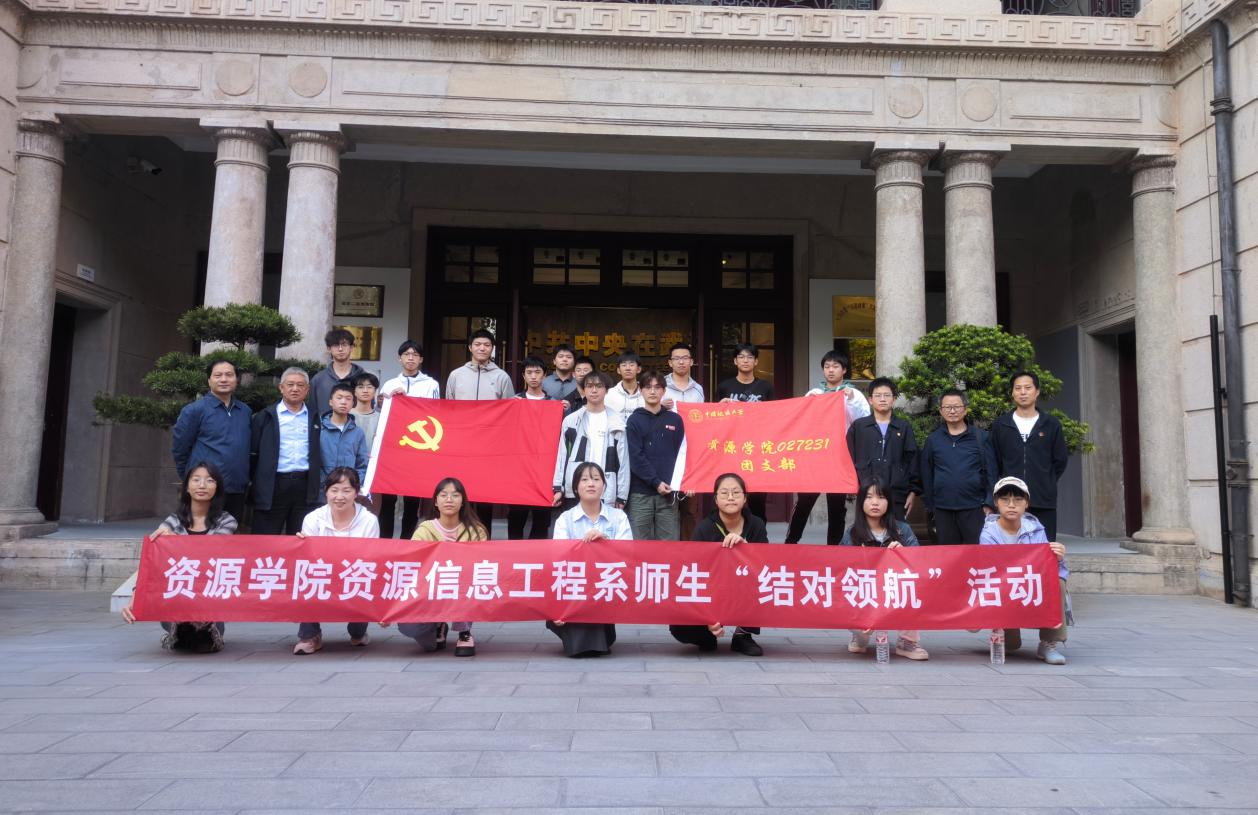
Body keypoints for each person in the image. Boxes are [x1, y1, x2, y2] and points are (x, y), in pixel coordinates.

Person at [119, 462, 236, 653]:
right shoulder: (172, 521)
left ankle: (193, 632)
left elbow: (210, 553)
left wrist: (176, 543)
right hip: (178, 592)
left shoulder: (226, 521)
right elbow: (153, 561)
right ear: (187, 487)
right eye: (196, 480)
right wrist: (135, 598)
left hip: (208, 593)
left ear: (217, 488)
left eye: (209, 480)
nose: (202, 485)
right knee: (187, 629)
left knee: (204, 640)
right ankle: (180, 628)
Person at [669, 472, 766, 657]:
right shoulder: (704, 528)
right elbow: (693, 572)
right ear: (715, 499)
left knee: (767, 585)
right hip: (713, 591)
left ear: (745, 498)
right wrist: (707, 615)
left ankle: (743, 635)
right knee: (679, 627)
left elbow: (765, 566)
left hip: (744, 589)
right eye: (724, 493)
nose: (730, 497)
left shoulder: (756, 525)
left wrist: (746, 550)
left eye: (736, 492)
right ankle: (707, 636)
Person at [979, 476, 1070, 665]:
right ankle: (1004, 633)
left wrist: (1059, 558)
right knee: (1011, 646)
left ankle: (1049, 643)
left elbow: (1049, 568)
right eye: (1005, 500)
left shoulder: (1036, 529)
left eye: (1018, 500)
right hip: (1004, 586)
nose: (1011, 505)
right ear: (996, 503)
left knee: (1057, 582)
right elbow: (990, 571)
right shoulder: (988, 533)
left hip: (1029, 582)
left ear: (1026, 503)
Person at [785, 351, 870, 545]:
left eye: (835, 366)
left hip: (840, 456)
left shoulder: (854, 394)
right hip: (816, 456)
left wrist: (850, 400)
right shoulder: (814, 393)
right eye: (827, 366)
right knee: (804, 502)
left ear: (844, 370)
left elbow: (862, 422)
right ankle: (790, 542)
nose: (831, 370)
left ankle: (834, 548)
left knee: (837, 506)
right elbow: (802, 419)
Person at [293, 467, 380, 655]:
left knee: (364, 582)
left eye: (346, 490)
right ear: (326, 492)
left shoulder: (369, 520)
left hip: (353, 575)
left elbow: (370, 559)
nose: (339, 497)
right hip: (322, 575)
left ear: (356, 492)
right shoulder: (313, 518)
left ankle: (358, 630)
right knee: (305, 577)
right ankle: (309, 635)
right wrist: (301, 546)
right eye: (334, 490)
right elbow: (309, 559)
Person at [839, 478, 929, 661]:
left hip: (893, 589)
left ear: (889, 502)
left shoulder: (902, 530)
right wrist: (858, 559)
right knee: (852, 597)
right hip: (866, 591)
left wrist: (904, 555)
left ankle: (907, 642)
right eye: (869, 497)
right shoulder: (853, 533)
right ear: (861, 502)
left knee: (912, 587)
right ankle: (859, 637)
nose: (875, 502)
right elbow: (840, 569)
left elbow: (920, 564)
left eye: (881, 497)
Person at [399, 477, 488, 656]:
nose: (449, 499)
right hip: (429, 590)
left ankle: (464, 632)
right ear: (435, 501)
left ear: (463, 501)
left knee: (466, 579)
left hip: (462, 589)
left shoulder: (476, 531)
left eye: (455, 495)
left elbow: (482, 567)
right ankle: (437, 624)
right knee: (410, 628)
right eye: (444, 495)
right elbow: (412, 563)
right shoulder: (424, 530)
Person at [548, 462, 628, 658]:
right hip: (575, 587)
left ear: (604, 486)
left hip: (606, 586)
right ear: (576, 487)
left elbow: (628, 555)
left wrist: (605, 543)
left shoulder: (618, 517)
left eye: (596, 479)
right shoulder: (565, 519)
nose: (591, 484)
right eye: (584, 480)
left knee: (597, 640)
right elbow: (558, 559)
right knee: (582, 645)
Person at [446, 328, 513, 532]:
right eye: (477, 344)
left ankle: (484, 538)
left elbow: (509, 412)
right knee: (460, 491)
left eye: (486, 345)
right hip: (461, 444)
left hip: (489, 446)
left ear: (492, 349)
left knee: (485, 494)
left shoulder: (502, 377)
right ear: (470, 347)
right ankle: (459, 536)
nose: (482, 348)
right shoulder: (456, 375)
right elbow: (449, 408)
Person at [990, 371, 1070, 540]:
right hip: (1011, 500)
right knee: (1012, 548)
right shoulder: (1001, 425)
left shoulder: (1051, 424)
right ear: (1012, 393)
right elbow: (994, 461)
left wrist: (1045, 480)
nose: (1023, 392)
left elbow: (1060, 460)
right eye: (1018, 388)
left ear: (1037, 391)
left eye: (1028, 388)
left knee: (1044, 547)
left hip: (1043, 499)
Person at [171, 358, 251, 522]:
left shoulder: (245, 411)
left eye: (229, 375)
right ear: (209, 380)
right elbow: (180, 450)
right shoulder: (194, 410)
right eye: (218, 375)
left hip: (236, 488)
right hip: (205, 489)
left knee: (231, 534)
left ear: (237, 379)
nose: (224, 379)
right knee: (203, 533)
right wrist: (193, 479)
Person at [249, 367, 322, 535]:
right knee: (265, 538)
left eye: (300, 385)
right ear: (281, 388)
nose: (295, 389)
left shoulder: (315, 416)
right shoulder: (265, 416)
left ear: (307, 389)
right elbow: (253, 454)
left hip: (305, 485)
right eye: (290, 384)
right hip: (273, 485)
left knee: (301, 537)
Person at [920, 389, 998, 545]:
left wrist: (989, 503)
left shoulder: (981, 437)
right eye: (947, 407)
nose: (952, 411)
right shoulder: (933, 440)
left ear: (965, 409)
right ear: (940, 411)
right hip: (943, 509)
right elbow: (926, 473)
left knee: (975, 553)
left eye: (956, 406)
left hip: (975, 508)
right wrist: (931, 505)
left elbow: (992, 472)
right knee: (948, 554)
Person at [378, 340, 439, 539]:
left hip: (418, 447)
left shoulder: (431, 384)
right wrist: (391, 398)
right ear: (399, 358)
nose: (410, 358)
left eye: (415, 355)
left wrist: (408, 401)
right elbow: (381, 411)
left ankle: (406, 540)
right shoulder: (389, 384)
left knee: (412, 500)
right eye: (406, 354)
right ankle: (385, 541)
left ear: (421, 359)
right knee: (388, 498)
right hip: (393, 447)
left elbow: (433, 411)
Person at [847, 377, 921, 523]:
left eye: (887, 395)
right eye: (878, 395)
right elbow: (848, 458)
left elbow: (912, 459)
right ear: (870, 400)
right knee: (867, 532)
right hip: (867, 493)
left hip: (897, 493)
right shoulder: (859, 427)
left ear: (894, 399)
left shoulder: (903, 427)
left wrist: (913, 491)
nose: (882, 399)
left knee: (896, 531)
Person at [554, 371, 629, 512]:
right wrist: (558, 487)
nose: (594, 390)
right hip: (576, 487)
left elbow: (623, 461)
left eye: (599, 386)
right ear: (584, 389)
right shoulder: (571, 421)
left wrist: (621, 495)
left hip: (606, 488)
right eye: (589, 386)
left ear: (606, 390)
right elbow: (562, 455)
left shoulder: (617, 422)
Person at [626, 371, 687, 541]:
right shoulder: (634, 420)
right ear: (641, 390)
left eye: (657, 387)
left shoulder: (675, 420)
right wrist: (655, 482)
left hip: (668, 492)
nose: (652, 391)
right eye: (648, 387)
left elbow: (682, 454)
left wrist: (684, 482)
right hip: (640, 493)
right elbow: (635, 457)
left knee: (669, 544)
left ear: (664, 391)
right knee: (640, 543)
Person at [716, 343, 774, 521]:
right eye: (741, 357)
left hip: (757, 450)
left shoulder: (765, 387)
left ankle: (758, 535)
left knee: (757, 501)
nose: (745, 360)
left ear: (756, 361)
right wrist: (720, 408)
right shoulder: (724, 387)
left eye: (750, 357)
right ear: (735, 361)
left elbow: (775, 416)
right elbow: (715, 420)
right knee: (730, 496)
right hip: (732, 449)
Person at [508, 356, 555, 539]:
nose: (533, 376)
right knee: (516, 517)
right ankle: (514, 553)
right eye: (529, 373)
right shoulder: (514, 402)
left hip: (544, 467)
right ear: (523, 376)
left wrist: (561, 408)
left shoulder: (553, 403)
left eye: (537, 372)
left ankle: (537, 555)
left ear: (545, 375)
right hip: (518, 468)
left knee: (542, 518)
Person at [662, 342, 704, 536]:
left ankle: (688, 548)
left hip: (691, 451)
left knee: (690, 509)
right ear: (670, 362)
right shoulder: (660, 386)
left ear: (691, 361)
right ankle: (668, 549)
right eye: (677, 358)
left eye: (685, 358)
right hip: (667, 451)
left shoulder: (698, 390)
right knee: (667, 507)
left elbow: (703, 419)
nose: (681, 362)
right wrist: (660, 406)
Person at [318, 382, 369, 491]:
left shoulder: (358, 433)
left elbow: (362, 465)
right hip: (322, 489)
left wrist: (353, 483)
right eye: (339, 398)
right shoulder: (318, 429)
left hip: (348, 490)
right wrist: (324, 482)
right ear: (331, 402)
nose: (343, 402)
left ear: (353, 403)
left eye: (348, 398)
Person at [310, 328, 365, 413]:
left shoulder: (363, 378)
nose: (340, 349)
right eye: (336, 345)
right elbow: (312, 410)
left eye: (344, 345)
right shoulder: (319, 379)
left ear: (351, 347)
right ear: (329, 349)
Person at [605, 352, 644, 420]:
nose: (628, 368)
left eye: (631, 365)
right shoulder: (610, 394)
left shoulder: (647, 392)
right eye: (624, 365)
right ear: (618, 370)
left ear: (638, 369)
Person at [350, 373, 380, 450]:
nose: (365, 391)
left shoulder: (381, 418)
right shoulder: (346, 415)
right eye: (360, 387)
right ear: (354, 391)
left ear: (375, 391)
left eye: (369, 387)